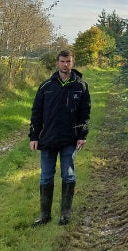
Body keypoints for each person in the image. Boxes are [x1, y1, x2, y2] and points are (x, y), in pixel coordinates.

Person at [28, 48, 91, 226]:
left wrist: (82, 135)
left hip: (69, 140)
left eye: (68, 61)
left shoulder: (81, 86)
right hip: (47, 140)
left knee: (68, 176)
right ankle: (44, 216)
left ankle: (65, 215)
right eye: (62, 61)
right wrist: (34, 136)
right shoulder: (46, 86)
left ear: (73, 62)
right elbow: (36, 113)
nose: (65, 64)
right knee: (46, 177)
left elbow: (85, 114)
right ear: (58, 63)